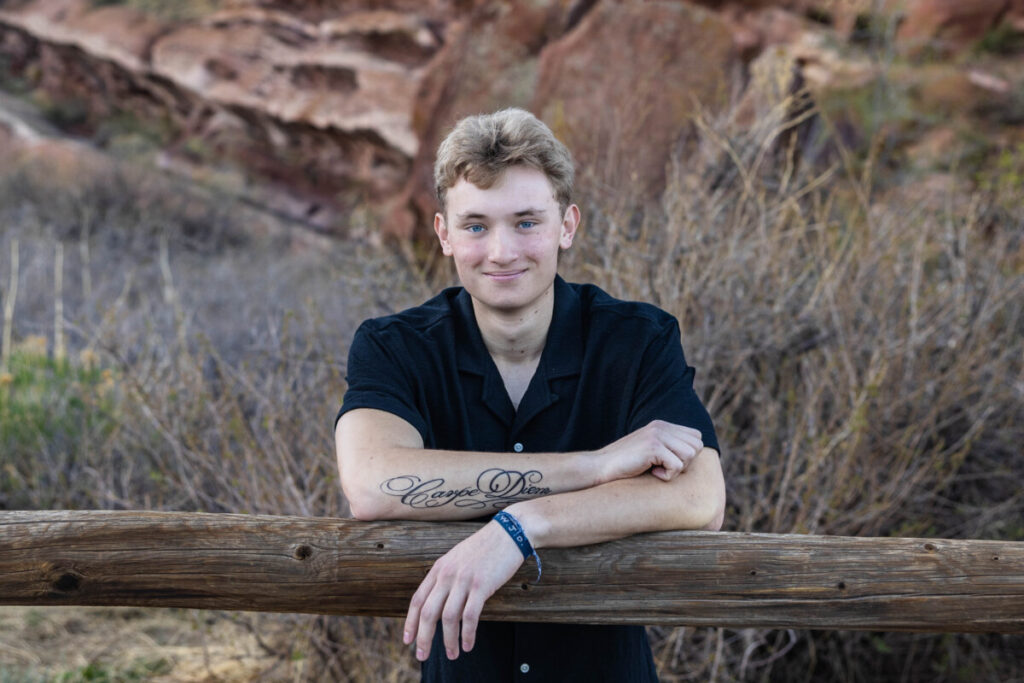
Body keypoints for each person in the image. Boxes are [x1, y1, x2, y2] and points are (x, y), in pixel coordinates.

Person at [335, 108, 724, 682]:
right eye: (475, 226)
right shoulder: (394, 347)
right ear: (443, 234)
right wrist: (596, 467)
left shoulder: (638, 339)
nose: (501, 251)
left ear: (567, 225)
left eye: (525, 222)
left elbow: (700, 496)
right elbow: (372, 484)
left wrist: (521, 526)